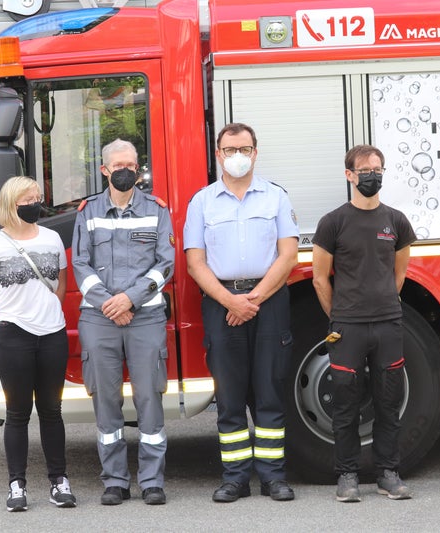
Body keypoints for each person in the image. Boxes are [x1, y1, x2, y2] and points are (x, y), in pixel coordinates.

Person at [184, 123, 299, 503]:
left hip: (269, 302)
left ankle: (273, 477)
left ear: (255, 153)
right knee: (230, 397)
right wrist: (230, 301)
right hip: (221, 303)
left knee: (270, 392)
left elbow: (288, 255)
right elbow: (195, 263)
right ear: (218, 155)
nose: (238, 156)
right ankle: (234, 478)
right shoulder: (202, 202)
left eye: (245, 149)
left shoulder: (276, 197)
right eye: (230, 149)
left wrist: (253, 300)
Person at [72, 139, 174, 506]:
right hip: (99, 317)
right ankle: (114, 481)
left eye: (131, 164)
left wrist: (130, 299)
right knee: (106, 400)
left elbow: (165, 263)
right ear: (104, 170)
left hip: (145, 315)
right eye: (118, 165)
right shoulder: (88, 212)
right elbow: (80, 263)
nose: (126, 171)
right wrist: (110, 303)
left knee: (149, 398)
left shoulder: (156, 210)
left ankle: (152, 482)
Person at [312, 144, 416, 503]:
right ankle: (347, 475)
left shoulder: (396, 221)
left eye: (378, 169)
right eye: (365, 170)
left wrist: (382, 303)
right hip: (348, 328)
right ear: (349, 175)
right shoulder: (333, 223)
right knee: (345, 404)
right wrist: (340, 316)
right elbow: (320, 279)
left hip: (388, 324)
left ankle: (388, 473)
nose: (372, 175)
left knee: (388, 402)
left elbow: (399, 274)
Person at [0, 176, 76, 511]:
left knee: (51, 410)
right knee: (17, 413)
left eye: (38, 197)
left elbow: (60, 285)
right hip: (12, 335)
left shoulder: (52, 238)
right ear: (11, 204)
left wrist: (47, 314)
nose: (36, 203)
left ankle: (59, 482)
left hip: (52, 334)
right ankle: (16, 485)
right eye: (28, 199)